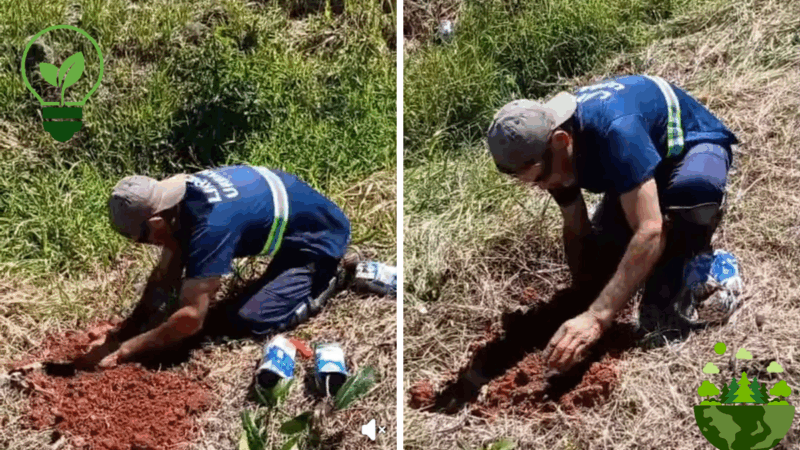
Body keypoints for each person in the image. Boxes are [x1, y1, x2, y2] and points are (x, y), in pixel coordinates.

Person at [486, 74, 740, 373]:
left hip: (690, 148)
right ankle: (643, 193)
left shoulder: (615, 131)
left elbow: (650, 231)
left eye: (539, 177)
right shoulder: (550, 151)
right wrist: (583, 293)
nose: (539, 186)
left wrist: (596, 318)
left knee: (690, 202)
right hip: (636, 160)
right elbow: (576, 226)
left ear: (561, 141)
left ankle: (706, 257)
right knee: (607, 253)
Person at [77, 165, 351, 369]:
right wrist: (127, 328)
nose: (142, 246)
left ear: (157, 222)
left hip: (320, 237)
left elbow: (191, 318)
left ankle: (330, 277)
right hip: (298, 207)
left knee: (247, 319)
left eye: (140, 238)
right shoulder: (182, 197)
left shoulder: (211, 226)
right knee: (185, 257)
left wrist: (126, 350)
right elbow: (164, 276)